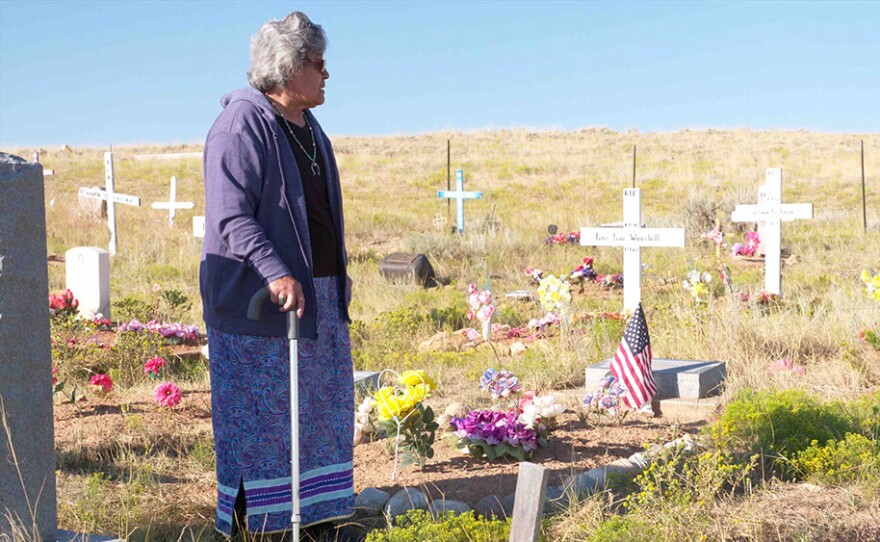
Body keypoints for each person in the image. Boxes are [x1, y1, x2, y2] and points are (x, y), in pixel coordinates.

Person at [200, 11, 354, 539]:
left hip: (319, 298)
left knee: (316, 417)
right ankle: (260, 525)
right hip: (261, 304)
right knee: (262, 423)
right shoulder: (240, 124)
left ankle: (315, 518)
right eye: (319, 63)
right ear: (290, 69)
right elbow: (229, 213)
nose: (327, 73)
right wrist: (275, 270)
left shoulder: (311, 128)